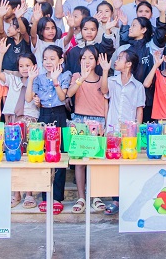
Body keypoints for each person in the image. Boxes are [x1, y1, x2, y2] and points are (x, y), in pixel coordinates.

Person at [26, 45, 71, 215]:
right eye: (45, 58)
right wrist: (30, 79)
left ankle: (57, 198)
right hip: (43, 116)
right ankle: (45, 197)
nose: (48, 62)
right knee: (44, 156)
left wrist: (55, 79)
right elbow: (29, 98)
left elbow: (62, 97)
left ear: (60, 60)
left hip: (59, 115)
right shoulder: (38, 77)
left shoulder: (65, 75)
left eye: (53, 58)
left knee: (59, 157)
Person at [0, 42, 39, 209]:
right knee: (13, 157)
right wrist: (1, 53)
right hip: (13, 122)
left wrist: (32, 78)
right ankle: (16, 193)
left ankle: (29, 194)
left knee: (28, 157)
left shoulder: (37, 82)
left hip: (29, 120)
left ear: (34, 66)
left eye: (28, 65)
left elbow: (28, 99)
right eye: (21, 66)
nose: (24, 68)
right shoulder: (13, 80)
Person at [101, 50, 144, 215]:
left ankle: (131, 200)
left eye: (119, 58)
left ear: (128, 64)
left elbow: (139, 110)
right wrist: (105, 71)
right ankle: (116, 201)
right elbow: (104, 91)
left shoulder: (138, 86)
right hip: (112, 130)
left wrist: (137, 132)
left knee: (129, 166)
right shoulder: (112, 81)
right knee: (114, 166)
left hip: (129, 133)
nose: (116, 61)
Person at [66, 47, 108, 215]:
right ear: (80, 61)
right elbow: (69, 93)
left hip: (97, 122)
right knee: (80, 161)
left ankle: (95, 195)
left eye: (91, 58)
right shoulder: (76, 77)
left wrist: (105, 72)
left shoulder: (101, 79)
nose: (87, 61)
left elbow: (105, 93)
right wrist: (81, 78)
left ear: (97, 61)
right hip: (79, 122)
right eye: (84, 58)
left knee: (95, 160)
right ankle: (81, 197)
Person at [112, 17, 157, 122]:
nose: (130, 28)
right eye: (130, 25)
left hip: (147, 98)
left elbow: (160, 38)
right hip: (125, 97)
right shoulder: (124, 49)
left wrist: (165, 12)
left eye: (134, 25)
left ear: (143, 30)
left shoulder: (150, 48)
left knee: (142, 131)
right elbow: (116, 73)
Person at [0, 0, 31, 71]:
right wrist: (1, 17)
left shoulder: (26, 41)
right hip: (7, 75)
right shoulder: (8, 41)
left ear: (18, 29)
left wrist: (18, 18)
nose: (8, 28)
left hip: (21, 75)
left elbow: (23, 32)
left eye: (12, 25)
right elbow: (1, 31)